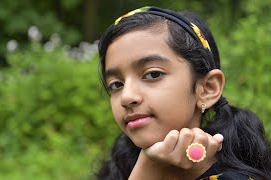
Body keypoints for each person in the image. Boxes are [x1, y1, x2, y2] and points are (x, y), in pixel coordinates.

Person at [95, 6, 271, 180]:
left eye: (153, 74)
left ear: (208, 89)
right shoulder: (120, 170)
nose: (127, 97)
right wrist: (148, 165)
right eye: (116, 84)